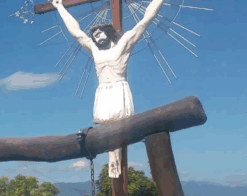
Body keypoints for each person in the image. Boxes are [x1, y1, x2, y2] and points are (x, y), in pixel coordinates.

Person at [52, 0, 165, 178]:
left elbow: (145, 21)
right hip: (103, 91)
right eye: (94, 35)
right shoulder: (95, 51)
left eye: (99, 33)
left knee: (118, 130)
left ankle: (116, 165)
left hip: (118, 89)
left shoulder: (123, 44)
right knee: (109, 132)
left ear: (108, 32)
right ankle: (113, 164)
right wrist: (60, 7)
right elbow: (77, 32)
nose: (96, 37)